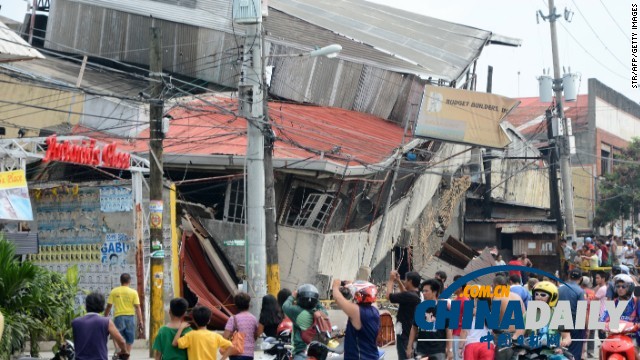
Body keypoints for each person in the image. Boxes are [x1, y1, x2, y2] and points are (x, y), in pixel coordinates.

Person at [333, 279, 380, 360]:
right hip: (372, 356)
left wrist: (335, 286)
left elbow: (338, 299)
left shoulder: (357, 312)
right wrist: (352, 285)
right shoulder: (375, 310)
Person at [72, 292, 128, 360]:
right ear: (102, 306)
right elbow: (121, 341)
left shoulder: (75, 322)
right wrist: (124, 351)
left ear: (86, 305)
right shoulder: (106, 322)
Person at [406, 279, 452, 360]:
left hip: (438, 350)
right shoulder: (420, 308)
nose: (423, 293)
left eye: (426, 291)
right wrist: (409, 346)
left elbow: (448, 330)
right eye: (423, 291)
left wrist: (449, 349)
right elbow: (414, 328)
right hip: (421, 350)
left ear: (434, 292)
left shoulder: (442, 308)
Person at [282, 284, 329, 360]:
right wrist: (314, 299)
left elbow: (285, 306)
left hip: (300, 352)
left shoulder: (297, 312)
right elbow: (323, 309)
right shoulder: (320, 313)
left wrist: (292, 296)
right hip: (315, 351)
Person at [599, 274, 640, 360]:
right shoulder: (613, 303)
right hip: (614, 337)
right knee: (601, 349)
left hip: (633, 337)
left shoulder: (636, 302)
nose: (620, 289)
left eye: (623, 286)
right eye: (618, 286)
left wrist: (637, 325)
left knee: (637, 353)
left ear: (630, 288)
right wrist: (601, 324)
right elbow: (603, 318)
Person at [386, 270, 421, 360]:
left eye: (406, 280)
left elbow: (388, 296)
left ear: (410, 281)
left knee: (404, 356)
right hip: (409, 331)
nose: (404, 281)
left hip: (405, 334)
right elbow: (405, 292)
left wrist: (391, 280)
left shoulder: (409, 296)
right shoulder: (416, 294)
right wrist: (398, 281)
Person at [105, 273, 143, 354]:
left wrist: (105, 316)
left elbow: (109, 306)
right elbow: (137, 307)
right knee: (130, 338)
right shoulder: (133, 292)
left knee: (116, 335)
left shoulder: (114, 291)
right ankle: (127, 354)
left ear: (120, 281)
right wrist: (141, 321)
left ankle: (118, 349)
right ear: (129, 281)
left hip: (118, 317)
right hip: (130, 318)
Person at [526, 282, 571, 350]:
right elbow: (518, 335)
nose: (538, 297)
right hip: (531, 353)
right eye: (536, 294)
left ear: (552, 297)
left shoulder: (559, 314)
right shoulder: (528, 314)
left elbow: (567, 337)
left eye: (543, 295)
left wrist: (564, 342)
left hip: (553, 353)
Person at [558, 269, 586, 360]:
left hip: (559, 322)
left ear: (569, 276)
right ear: (581, 278)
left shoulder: (559, 289)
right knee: (573, 353)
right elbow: (582, 311)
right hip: (575, 325)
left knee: (560, 350)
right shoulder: (580, 291)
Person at [224, 292, 259, 360]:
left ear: (236, 305)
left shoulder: (233, 319)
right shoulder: (253, 319)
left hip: (235, 353)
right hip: (249, 354)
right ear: (248, 304)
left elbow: (225, 336)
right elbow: (255, 336)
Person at [580, 277, 595, 359]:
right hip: (592, 313)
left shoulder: (580, 292)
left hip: (584, 315)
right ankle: (590, 351)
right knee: (591, 334)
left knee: (582, 334)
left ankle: (582, 353)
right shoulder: (592, 292)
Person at [593, 271, 609, 342]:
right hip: (603, 313)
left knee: (601, 334)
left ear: (603, 279)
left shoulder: (602, 289)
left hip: (601, 313)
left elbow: (593, 299)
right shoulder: (604, 287)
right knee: (602, 333)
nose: (596, 279)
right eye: (596, 278)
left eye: (598, 278)